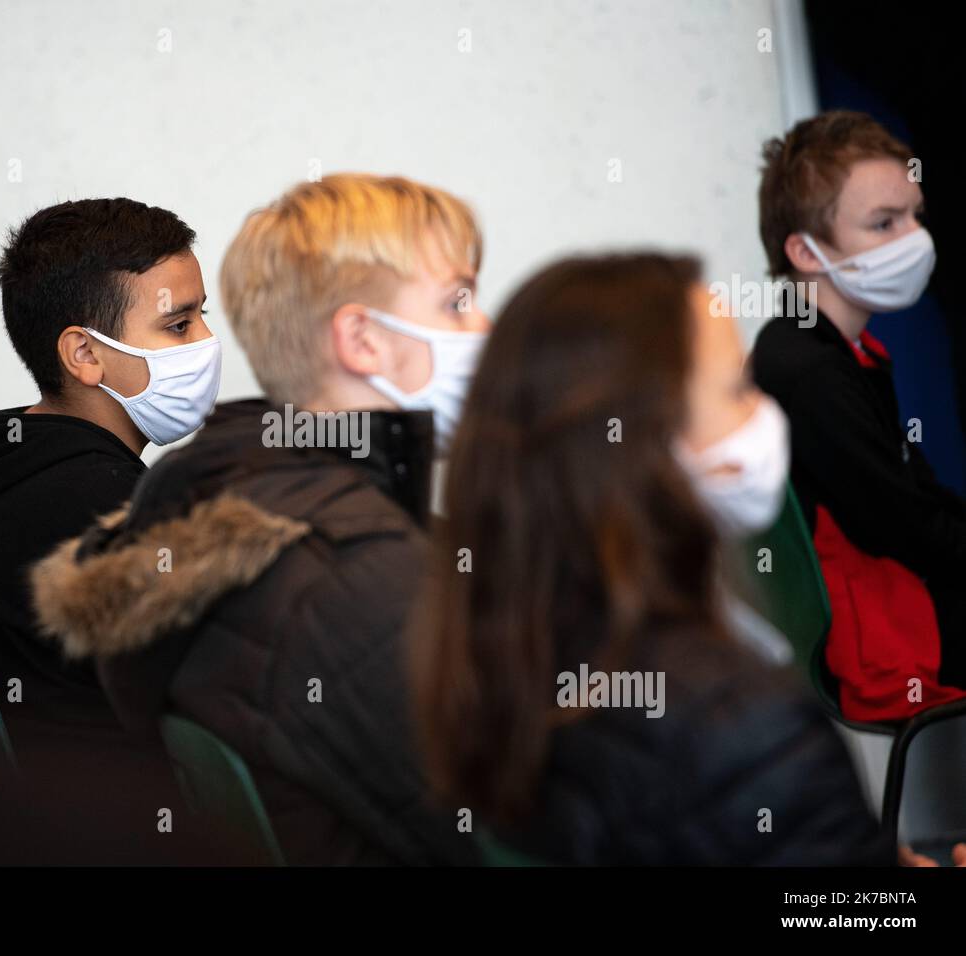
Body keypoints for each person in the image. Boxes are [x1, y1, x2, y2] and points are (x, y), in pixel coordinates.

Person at [30, 174, 489, 864]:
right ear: (362, 339)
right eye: (458, 302)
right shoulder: (357, 575)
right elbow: (517, 831)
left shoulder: (222, 493)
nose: (486, 326)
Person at [412, 252, 890, 865]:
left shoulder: (487, 666)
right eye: (739, 389)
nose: (763, 413)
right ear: (645, 449)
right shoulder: (748, 725)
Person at [0, 198, 219, 771]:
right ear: (85, 354)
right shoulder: (103, 513)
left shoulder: (3, 474)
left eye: (202, 315)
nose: (206, 342)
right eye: (178, 324)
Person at [751, 110, 966, 721]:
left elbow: (918, 497)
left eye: (915, 216)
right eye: (884, 223)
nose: (915, 238)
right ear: (805, 251)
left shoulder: (832, 352)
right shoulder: (809, 370)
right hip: (893, 650)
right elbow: (903, 525)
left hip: (908, 613)